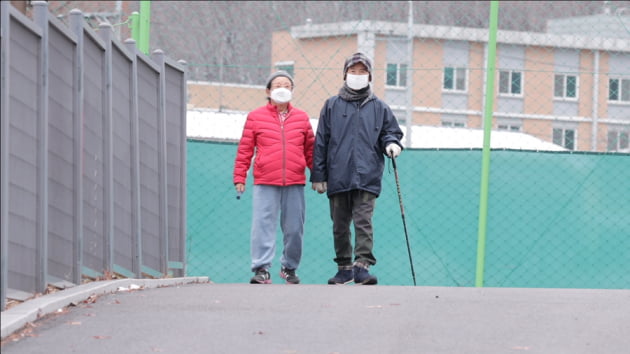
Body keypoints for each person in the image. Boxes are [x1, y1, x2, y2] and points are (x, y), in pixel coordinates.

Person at [311, 52, 404, 285]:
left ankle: (362, 266)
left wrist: (391, 143)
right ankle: (344, 268)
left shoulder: (380, 107)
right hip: (338, 175)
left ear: (370, 76)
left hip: (367, 174)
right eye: (353, 71)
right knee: (340, 224)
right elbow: (321, 141)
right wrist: (319, 175)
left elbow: (390, 132)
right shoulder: (331, 105)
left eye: (363, 71)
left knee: (363, 222)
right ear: (345, 74)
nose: (358, 75)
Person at [233, 71, 315, 284]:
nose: (282, 88)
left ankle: (289, 267)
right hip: (265, 180)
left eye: (287, 85)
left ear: (292, 91)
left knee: (295, 228)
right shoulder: (255, 116)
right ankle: (261, 268)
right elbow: (245, 149)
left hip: (295, 181)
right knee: (262, 225)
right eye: (277, 84)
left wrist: (319, 175)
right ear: (268, 91)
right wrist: (240, 177)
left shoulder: (302, 117)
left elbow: (311, 150)